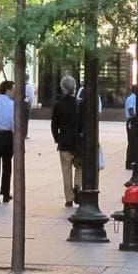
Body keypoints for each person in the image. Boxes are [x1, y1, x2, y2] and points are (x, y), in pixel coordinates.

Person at [51, 76, 82, 207]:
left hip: (64, 141)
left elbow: (54, 125)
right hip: (78, 141)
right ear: (74, 88)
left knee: (66, 169)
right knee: (80, 165)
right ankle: (78, 185)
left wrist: (57, 138)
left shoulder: (58, 105)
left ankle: (69, 198)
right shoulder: (79, 104)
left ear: (63, 88)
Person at [124, 85, 137, 170]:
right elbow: (131, 111)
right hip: (132, 122)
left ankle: (134, 161)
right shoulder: (131, 98)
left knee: (135, 143)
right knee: (132, 142)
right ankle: (129, 163)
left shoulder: (136, 98)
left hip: (134, 121)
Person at [23, 73, 35, 139]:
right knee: (25, 119)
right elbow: (31, 96)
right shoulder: (30, 86)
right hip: (26, 103)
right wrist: (30, 104)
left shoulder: (17, 85)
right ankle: (24, 134)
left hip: (18, 103)